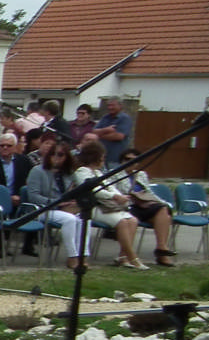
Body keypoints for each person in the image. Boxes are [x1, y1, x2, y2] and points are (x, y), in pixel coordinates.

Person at [74, 140, 146, 269]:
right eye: (102, 156)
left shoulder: (98, 172)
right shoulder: (82, 172)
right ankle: (133, 257)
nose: (104, 159)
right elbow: (95, 191)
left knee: (132, 220)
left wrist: (120, 196)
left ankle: (123, 257)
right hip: (93, 207)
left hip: (107, 206)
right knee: (122, 222)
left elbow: (110, 187)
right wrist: (114, 197)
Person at [23, 141, 88, 270]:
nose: (56, 158)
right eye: (53, 154)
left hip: (65, 209)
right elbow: (33, 197)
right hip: (42, 209)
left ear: (67, 157)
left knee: (85, 218)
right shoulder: (37, 171)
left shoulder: (69, 173)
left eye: (60, 155)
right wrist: (58, 202)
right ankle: (72, 257)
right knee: (70, 220)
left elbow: (79, 191)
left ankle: (83, 256)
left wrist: (75, 201)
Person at [113, 147, 177, 267]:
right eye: (127, 159)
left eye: (135, 160)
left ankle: (161, 250)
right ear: (121, 161)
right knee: (132, 220)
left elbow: (148, 192)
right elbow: (113, 193)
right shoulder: (114, 174)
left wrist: (162, 202)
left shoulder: (141, 174)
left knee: (163, 210)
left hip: (143, 204)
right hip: (127, 206)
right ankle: (124, 256)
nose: (131, 162)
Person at [92, 99, 133, 164]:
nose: (110, 107)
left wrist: (99, 135)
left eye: (113, 105)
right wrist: (106, 129)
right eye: (108, 105)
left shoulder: (124, 118)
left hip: (116, 158)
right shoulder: (105, 117)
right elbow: (94, 132)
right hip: (102, 158)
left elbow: (119, 136)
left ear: (120, 106)